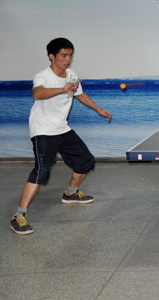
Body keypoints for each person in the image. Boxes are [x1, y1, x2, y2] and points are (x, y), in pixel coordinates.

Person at [10, 38, 111, 235]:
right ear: (52, 56)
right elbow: (37, 93)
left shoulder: (72, 75)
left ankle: (70, 194)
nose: (68, 59)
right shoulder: (43, 76)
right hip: (42, 130)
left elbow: (79, 94)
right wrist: (63, 89)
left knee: (86, 161)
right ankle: (19, 215)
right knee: (41, 171)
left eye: (70, 55)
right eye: (64, 55)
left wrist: (98, 109)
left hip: (62, 128)